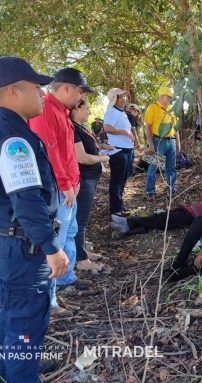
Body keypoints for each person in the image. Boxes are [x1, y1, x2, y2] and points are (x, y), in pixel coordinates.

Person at [0, 56, 69, 382]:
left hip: (7, 241)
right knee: (26, 320)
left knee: (9, 316)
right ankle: (22, 372)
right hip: (23, 247)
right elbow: (26, 196)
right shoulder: (14, 136)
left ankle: (13, 366)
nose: (42, 94)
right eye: (36, 87)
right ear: (13, 91)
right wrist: (50, 246)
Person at [30, 67, 93, 313]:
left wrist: (73, 182)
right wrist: (66, 184)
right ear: (66, 88)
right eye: (79, 91)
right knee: (55, 242)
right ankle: (50, 301)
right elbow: (51, 154)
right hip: (58, 188)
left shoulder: (61, 112)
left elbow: (65, 153)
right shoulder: (46, 111)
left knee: (69, 233)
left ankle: (66, 280)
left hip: (68, 186)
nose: (81, 98)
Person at [71, 98, 111, 272]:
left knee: (84, 218)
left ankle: (82, 250)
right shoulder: (72, 128)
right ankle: (80, 259)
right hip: (84, 177)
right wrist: (104, 158)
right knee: (80, 218)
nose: (88, 111)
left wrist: (102, 148)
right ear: (76, 109)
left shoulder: (81, 127)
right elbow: (82, 157)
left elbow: (90, 148)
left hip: (91, 178)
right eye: (86, 108)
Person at [110, 190, 202, 236]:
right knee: (159, 221)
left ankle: (128, 223)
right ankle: (128, 229)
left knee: (160, 219)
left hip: (191, 217)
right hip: (187, 210)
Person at [144, 86, 181, 197]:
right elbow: (147, 127)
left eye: (171, 97)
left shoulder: (172, 109)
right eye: (168, 96)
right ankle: (150, 191)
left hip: (171, 142)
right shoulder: (152, 107)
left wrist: (178, 142)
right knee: (153, 167)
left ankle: (171, 189)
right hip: (157, 141)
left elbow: (175, 127)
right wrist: (150, 145)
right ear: (161, 96)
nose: (170, 99)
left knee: (171, 167)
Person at [103, 88, 135, 216]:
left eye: (124, 97)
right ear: (114, 99)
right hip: (118, 150)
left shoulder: (122, 113)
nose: (124, 99)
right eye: (121, 97)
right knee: (117, 180)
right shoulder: (112, 111)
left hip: (128, 149)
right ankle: (115, 210)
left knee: (123, 179)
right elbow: (107, 127)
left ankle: (120, 204)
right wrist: (125, 132)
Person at [126, 103, 141, 177]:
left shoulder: (123, 114)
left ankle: (129, 172)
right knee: (131, 157)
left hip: (121, 141)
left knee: (130, 156)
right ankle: (130, 173)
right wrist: (137, 142)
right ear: (135, 110)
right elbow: (133, 129)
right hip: (127, 141)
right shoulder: (130, 116)